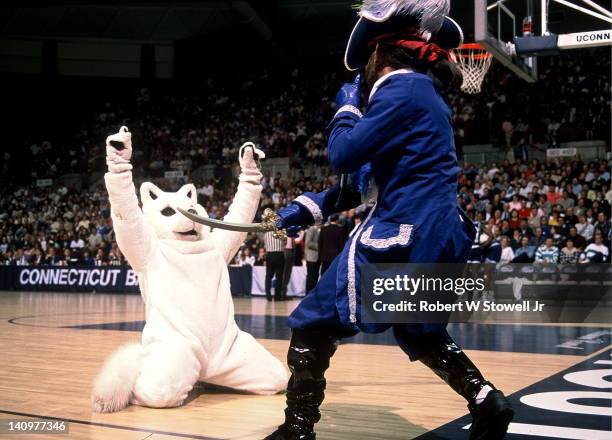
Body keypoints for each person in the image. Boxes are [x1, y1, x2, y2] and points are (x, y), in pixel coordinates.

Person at [264, 3, 513, 440]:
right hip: (439, 231)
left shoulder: (401, 89)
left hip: (406, 231)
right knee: (419, 331)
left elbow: (342, 154)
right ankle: (486, 401)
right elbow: (361, 185)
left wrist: (345, 110)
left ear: (380, 54)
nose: (361, 74)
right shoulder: (421, 93)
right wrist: (303, 209)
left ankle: (296, 432)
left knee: (311, 324)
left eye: (366, 64)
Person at [264, 230, 286, 301]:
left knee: (268, 276)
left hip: (270, 255)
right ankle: (277, 296)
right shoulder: (281, 232)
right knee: (279, 277)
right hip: (279, 255)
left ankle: (268, 294)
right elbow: (285, 241)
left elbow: (265, 245)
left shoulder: (266, 234)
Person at [303, 225, 320, 293]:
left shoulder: (317, 229)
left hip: (316, 257)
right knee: (311, 277)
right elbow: (308, 243)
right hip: (311, 257)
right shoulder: (311, 229)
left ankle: (312, 294)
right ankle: (308, 294)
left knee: (315, 276)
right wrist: (320, 246)